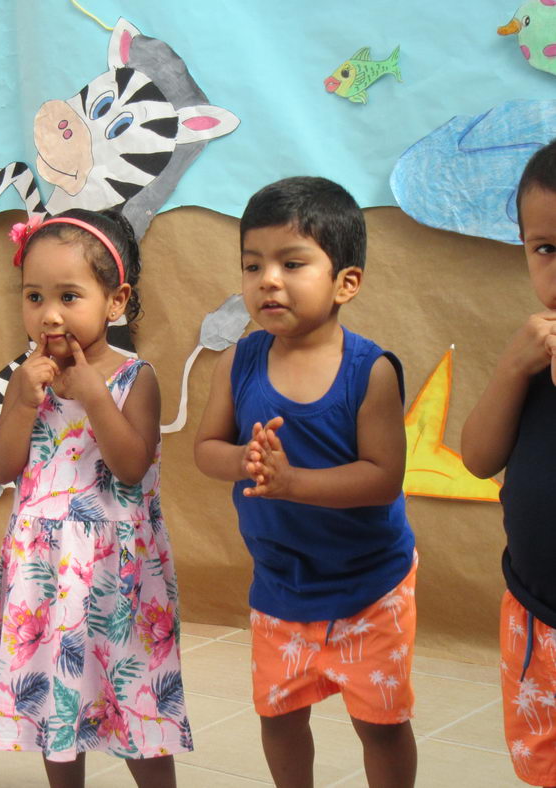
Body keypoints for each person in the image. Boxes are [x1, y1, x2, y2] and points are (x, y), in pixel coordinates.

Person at [194, 177, 417, 788]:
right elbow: (206, 450)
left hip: (369, 587)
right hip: (281, 584)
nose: (268, 279)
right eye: (253, 264)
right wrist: (245, 462)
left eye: (292, 263)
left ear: (346, 281)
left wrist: (291, 482)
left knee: (381, 725)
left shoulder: (368, 372)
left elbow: (382, 479)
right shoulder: (237, 362)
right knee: (279, 714)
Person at [0, 209, 189, 788]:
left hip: (116, 573)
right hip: (43, 571)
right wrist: (22, 401)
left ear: (115, 300)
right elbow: (1, 467)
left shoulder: (133, 377)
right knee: (57, 706)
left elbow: (130, 465)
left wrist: (95, 396)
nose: (48, 314)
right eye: (33, 296)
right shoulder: (28, 378)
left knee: (136, 701)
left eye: (69, 296)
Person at [461, 139, 556, 788]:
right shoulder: (533, 350)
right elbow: (476, 457)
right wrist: (511, 367)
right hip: (535, 612)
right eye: (546, 249)